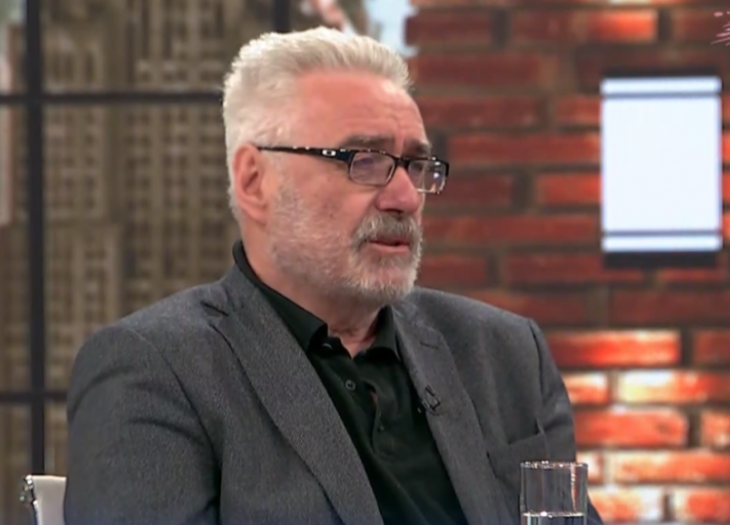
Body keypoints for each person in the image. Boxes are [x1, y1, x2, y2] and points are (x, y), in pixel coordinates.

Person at [63, 26, 603, 525]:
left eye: (416, 165)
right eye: (363, 161)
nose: (405, 197)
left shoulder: (505, 354)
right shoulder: (157, 372)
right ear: (254, 181)